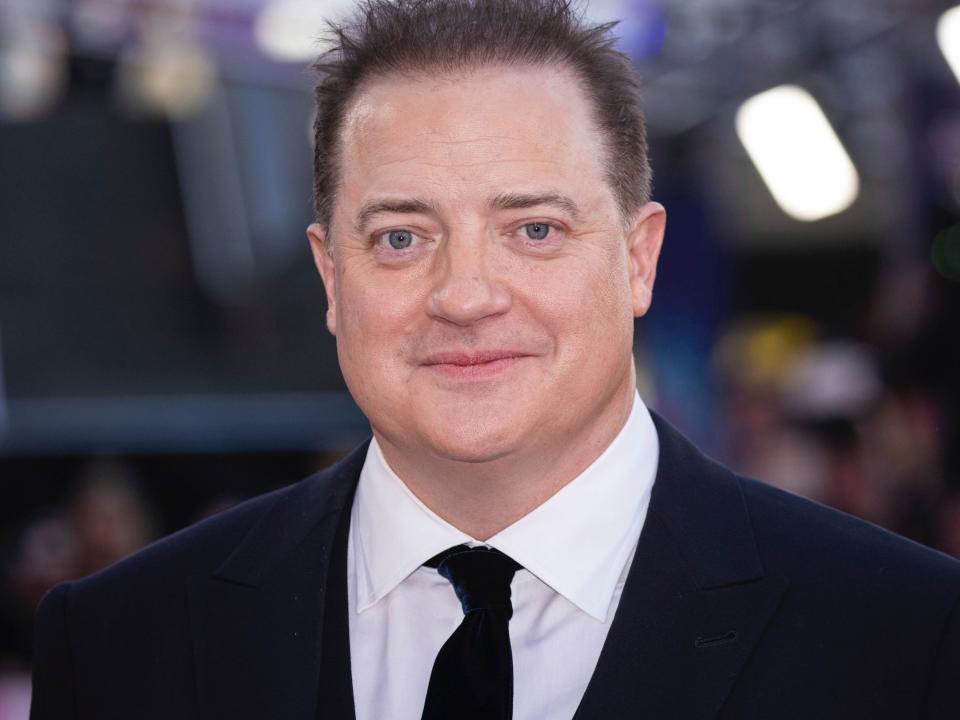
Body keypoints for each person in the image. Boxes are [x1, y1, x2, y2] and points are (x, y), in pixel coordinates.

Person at [30, 0, 960, 717]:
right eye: (401, 238)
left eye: (535, 229)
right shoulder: (121, 644)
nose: (466, 294)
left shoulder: (907, 639)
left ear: (638, 258)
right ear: (328, 273)